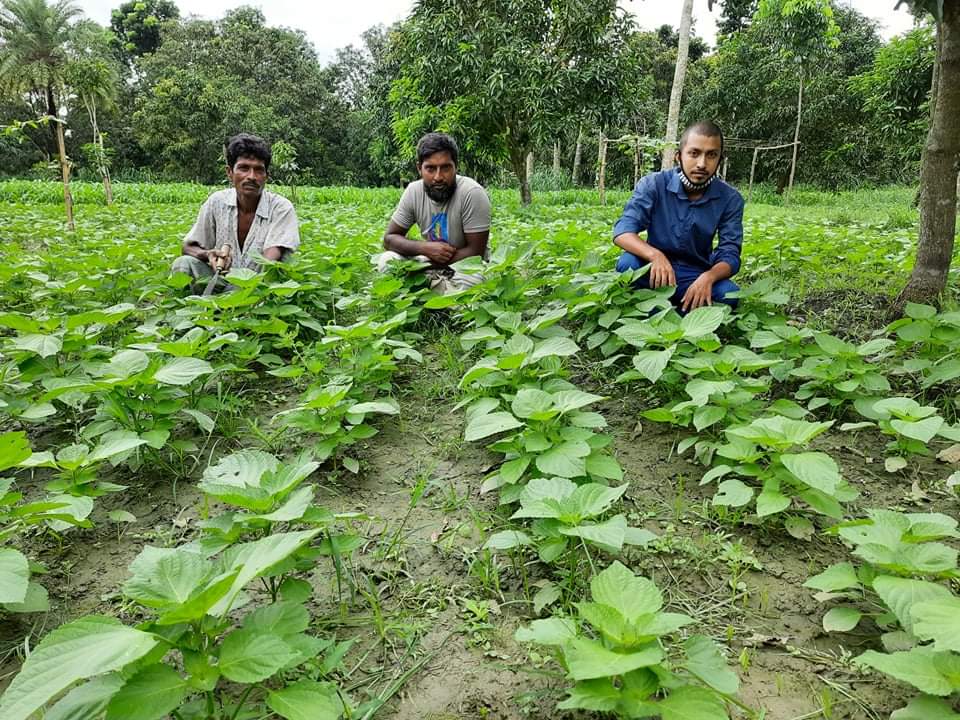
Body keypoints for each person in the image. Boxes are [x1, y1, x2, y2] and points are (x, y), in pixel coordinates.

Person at [613, 120, 744, 312]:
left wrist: (708, 278)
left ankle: (660, 311)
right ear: (678, 156)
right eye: (694, 153)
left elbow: (730, 253)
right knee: (627, 264)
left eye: (711, 155)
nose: (702, 163)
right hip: (654, 269)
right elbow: (623, 231)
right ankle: (677, 315)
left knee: (729, 294)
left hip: (695, 274)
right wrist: (655, 255)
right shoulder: (653, 185)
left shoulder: (730, 199)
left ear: (719, 160)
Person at [172, 133, 300, 293]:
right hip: (219, 281)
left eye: (259, 170)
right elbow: (187, 247)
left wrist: (241, 288)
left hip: (257, 286)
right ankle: (191, 311)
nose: (251, 177)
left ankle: (231, 309)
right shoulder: (216, 202)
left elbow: (270, 260)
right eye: (244, 168)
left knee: (271, 271)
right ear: (229, 172)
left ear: (266, 175)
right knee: (183, 264)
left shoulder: (280, 208)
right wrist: (208, 255)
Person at [378, 132, 491, 294]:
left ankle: (424, 294)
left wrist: (427, 263)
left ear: (456, 166)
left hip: (463, 265)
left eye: (445, 168)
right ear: (419, 168)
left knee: (474, 281)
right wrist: (425, 249)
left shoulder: (472, 193)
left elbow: (475, 252)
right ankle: (438, 296)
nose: (438, 177)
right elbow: (389, 239)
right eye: (430, 168)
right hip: (427, 261)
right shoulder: (413, 191)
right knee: (387, 261)